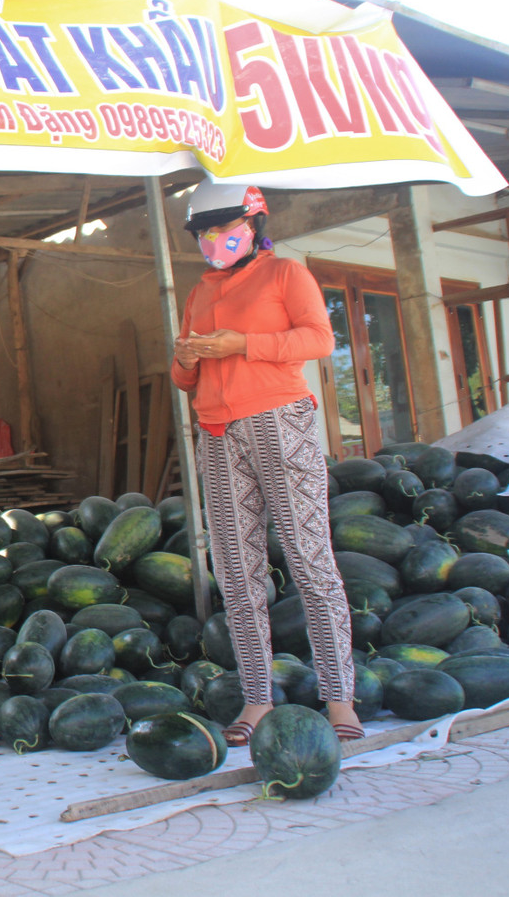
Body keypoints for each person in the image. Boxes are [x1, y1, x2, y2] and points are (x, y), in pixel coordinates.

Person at [169, 178, 362, 748]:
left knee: (308, 556)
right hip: (216, 430)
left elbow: (320, 340)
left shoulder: (286, 274)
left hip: (280, 422)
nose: (213, 240)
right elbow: (185, 377)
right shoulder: (200, 291)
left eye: (224, 229)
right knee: (235, 568)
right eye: (205, 233)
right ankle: (256, 696)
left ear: (253, 224)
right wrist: (184, 358)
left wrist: (242, 344)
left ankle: (339, 695)